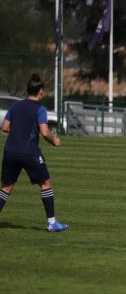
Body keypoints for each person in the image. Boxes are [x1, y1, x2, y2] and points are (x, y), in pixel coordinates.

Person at [0, 73, 68, 232]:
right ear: (41, 91)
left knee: (6, 187)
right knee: (45, 184)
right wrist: (55, 140)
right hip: (28, 151)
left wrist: (18, 130)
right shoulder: (40, 108)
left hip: (9, 150)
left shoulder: (15, 106)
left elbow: (4, 127)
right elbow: (44, 132)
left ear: (27, 90)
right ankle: (52, 223)